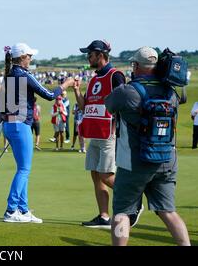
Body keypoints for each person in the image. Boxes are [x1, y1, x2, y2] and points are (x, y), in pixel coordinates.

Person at [105, 46, 190, 246]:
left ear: (136, 66)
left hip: (133, 163)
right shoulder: (171, 91)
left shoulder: (127, 91)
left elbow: (109, 105)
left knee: (122, 213)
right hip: (167, 161)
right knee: (168, 211)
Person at [0, 43, 75, 223]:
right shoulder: (23, 75)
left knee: (22, 169)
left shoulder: (9, 75)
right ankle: (11, 210)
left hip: (10, 125)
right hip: (20, 125)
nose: (31, 59)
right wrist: (65, 85)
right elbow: (49, 94)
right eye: (29, 56)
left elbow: (2, 105)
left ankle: (23, 210)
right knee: (24, 170)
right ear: (22, 57)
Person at [73, 40, 141, 229]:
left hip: (108, 133)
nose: (88, 57)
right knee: (95, 175)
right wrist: (77, 90)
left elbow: (124, 102)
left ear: (100, 55)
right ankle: (103, 216)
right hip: (94, 133)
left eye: (90, 54)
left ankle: (134, 200)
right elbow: (84, 106)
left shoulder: (115, 75)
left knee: (105, 174)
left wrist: (114, 130)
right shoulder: (94, 78)